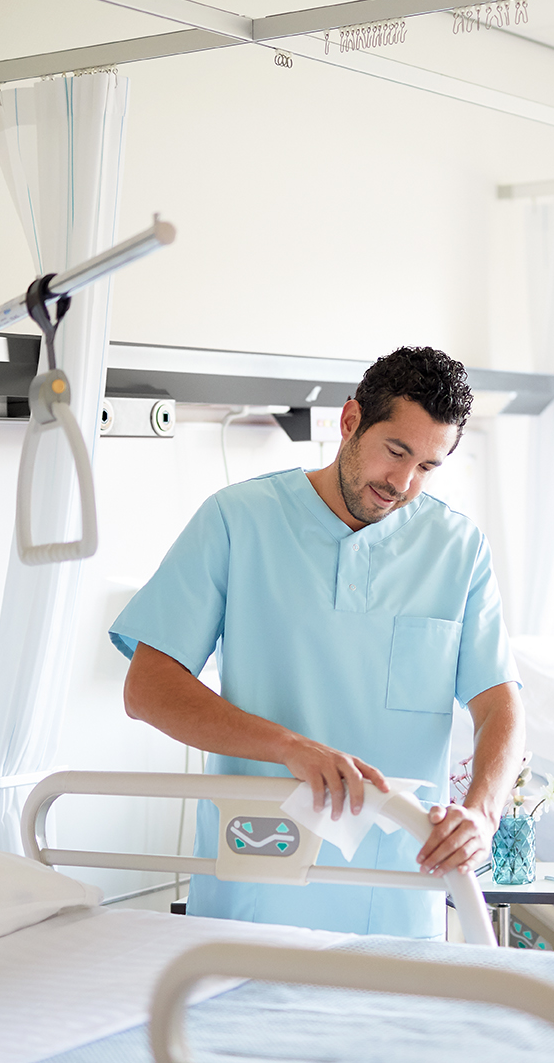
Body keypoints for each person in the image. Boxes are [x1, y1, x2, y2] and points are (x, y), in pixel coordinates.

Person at [110, 347, 524, 939]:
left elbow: (500, 704)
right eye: (396, 452)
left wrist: (481, 814)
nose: (403, 484)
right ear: (351, 421)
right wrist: (289, 748)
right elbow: (148, 689)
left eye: (428, 466)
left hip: (397, 886)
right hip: (259, 868)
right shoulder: (239, 520)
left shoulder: (458, 549)